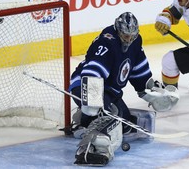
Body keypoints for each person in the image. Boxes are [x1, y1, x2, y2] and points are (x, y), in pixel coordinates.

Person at [68, 12, 179, 166]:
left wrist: (151, 92)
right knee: (109, 120)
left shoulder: (135, 41)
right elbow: (94, 70)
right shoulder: (107, 41)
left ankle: (83, 120)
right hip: (86, 86)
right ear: (117, 30)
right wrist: (91, 99)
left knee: (125, 123)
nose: (128, 39)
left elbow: (138, 70)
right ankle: (89, 149)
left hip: (109, 91)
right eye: (125, 35)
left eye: (132, 35)